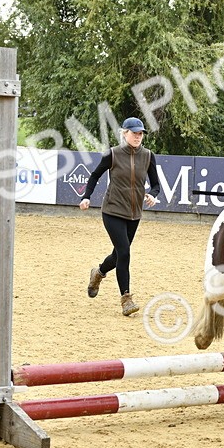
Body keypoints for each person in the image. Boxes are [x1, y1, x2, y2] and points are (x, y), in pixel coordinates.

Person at [80, 117, 159, 316]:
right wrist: (86, 196)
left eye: (140, 134)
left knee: (118, 255)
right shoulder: (113, 154)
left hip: (134, 214)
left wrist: (152, 194)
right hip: (112, 210)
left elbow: (156, 184)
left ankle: (98, 273)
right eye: (134, 133)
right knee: (124, 253)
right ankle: (126, 299)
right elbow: (95, 175)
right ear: (124, 133)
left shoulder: (148, 156)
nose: (138, 137)